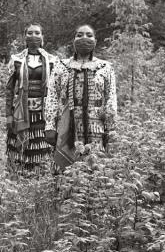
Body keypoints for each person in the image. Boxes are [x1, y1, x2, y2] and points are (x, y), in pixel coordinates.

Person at [45, 24, 117, 157]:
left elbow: (111, 99)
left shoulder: (105, 67)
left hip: (96, 125)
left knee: (95, 163)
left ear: (95, 41)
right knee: (67, 164)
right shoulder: (60, 66)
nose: (84, 38)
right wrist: (50, 126)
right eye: (80, 35)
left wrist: (111, 128)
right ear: (74, 40)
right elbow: (52, 97)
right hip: (66, 124)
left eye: (89, 35)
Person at [4, 23, 57, 174]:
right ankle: (18, 175)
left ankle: (41, 175)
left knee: (42, 144)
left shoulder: (52, 61)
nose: (33, 36)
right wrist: (8, 114)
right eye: (30, 33)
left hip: (43, 112)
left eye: (37, 33)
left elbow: (56, 89)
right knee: (19, 146)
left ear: (42, 37)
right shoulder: (16, 60)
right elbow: (9, 89)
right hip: (21, 111)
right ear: (25, 37)